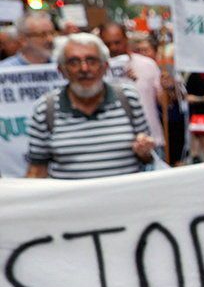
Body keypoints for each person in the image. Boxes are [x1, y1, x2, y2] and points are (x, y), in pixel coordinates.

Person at [24, 34, 154, 179]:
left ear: (105, 66)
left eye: (92, 61)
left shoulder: (128, 99)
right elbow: (37, 169)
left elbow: (147, 157)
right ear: (61, 70)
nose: (84, 68)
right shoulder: (45, 109)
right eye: (74, 62)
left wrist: (145, 151)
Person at [100, 23, 168, 161]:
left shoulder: (147, 65)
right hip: (115, 146)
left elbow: (163, 104)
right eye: (107, 44)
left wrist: (168, 88)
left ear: (126, 39)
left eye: (117, 42)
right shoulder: (97, 72)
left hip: (151, 141)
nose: (113, 48)